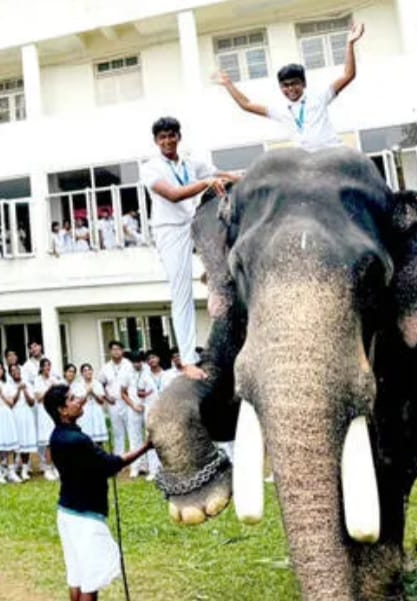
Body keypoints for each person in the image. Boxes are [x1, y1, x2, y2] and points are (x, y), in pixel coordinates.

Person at [139, 117, 239, 380]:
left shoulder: (191, 162)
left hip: (193, 222)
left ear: (179, 137)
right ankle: (186, 359)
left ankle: (214, 278)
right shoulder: (150, 168)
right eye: (162, 137)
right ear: (156, 141)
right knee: (181, 289)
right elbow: (173, 194)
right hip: (169, 230)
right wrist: (206, 184)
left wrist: (242, 177)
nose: (168, 141)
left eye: (172, 135)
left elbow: (219, 174)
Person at [45, 384, 153, 601]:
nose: (79, 401)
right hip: (86, 517)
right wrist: (146, 447)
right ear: (62, 410)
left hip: (67, 512)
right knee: (90, 582)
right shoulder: (77, 440)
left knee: (76, 576)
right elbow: (110, 465)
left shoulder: (57, 436)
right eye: (72, 399)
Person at [214, 22, 365, 152]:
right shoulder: (280, 109)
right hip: (305, 160)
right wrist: (228, 84)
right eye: (285, 85)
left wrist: (350, 43)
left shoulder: (319, 96)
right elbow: (246, 105)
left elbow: (348, 76)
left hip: (333, 152)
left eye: (294, 83)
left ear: (303, 83)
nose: (290, 89)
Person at [98, 341, 136, 460]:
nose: (116, 351)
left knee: (132, 430)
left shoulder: (129, 365)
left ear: (122, 351)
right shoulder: (106, 367)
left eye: (118, 349)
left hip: (128, 402)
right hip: (113, 403)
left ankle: (135, 459)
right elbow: (100, 384)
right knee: (117, 432)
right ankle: (119, 459)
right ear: (110, 352)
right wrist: (107, 397)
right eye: (113, 349)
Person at [141, 351, 168, 480]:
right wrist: (145, 394)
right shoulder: (144, 376)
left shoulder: (167, 375)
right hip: (150, 410)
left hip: (165, 410)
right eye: (149, 359)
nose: (152, 360)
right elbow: (139, 392)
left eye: (153, 357)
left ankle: (167, 468)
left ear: (158, 358)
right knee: (151, 439)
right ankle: (153, 470)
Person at [34, 358, 62, 480]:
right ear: (41, 367)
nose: (47, 368)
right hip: (43, 412)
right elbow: (39, 398)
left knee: (55, 441)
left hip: (53, 412)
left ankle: (56, 466)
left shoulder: (54, 379)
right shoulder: (37, 380)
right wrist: (49, 388)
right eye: (45, 366)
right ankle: (48, 467)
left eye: (49, 366)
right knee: (47, 442)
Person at [126, 352, 152, 478]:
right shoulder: (127, 372)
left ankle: (149, 466)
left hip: (147, 407)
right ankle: (135, 467)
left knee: (149, 436)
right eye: (134, 362)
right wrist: (133, 405)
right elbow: (122, 392)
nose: (137, 364)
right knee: (134, 438)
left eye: (139, 361)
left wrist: (145, 404)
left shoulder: (148, 371)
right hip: (133, 408)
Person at [10, 364, 36, 482]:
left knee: (26, 441)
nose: (16, 372)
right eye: (13, 371)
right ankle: (14, 468)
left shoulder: (28, 384)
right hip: (15, 414)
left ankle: (25, 469)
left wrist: (24, 390)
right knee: (16, 442)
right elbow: (11, 403)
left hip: (26, 414)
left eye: (17, 370)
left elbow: (31, 402)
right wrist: (18, 390)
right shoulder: (9, 385)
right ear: (10, 373)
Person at [73, 363, 108, 445]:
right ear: (82, 373)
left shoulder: (97, 384)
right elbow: (78, 402)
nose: (88, 372)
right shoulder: (78, 385)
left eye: (89, 370)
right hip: (85, 412)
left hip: (96, 411)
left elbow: (101, 401)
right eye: (85, 371)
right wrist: (86, 393)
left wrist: (93, 393)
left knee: (98, 441)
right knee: (86, 439)